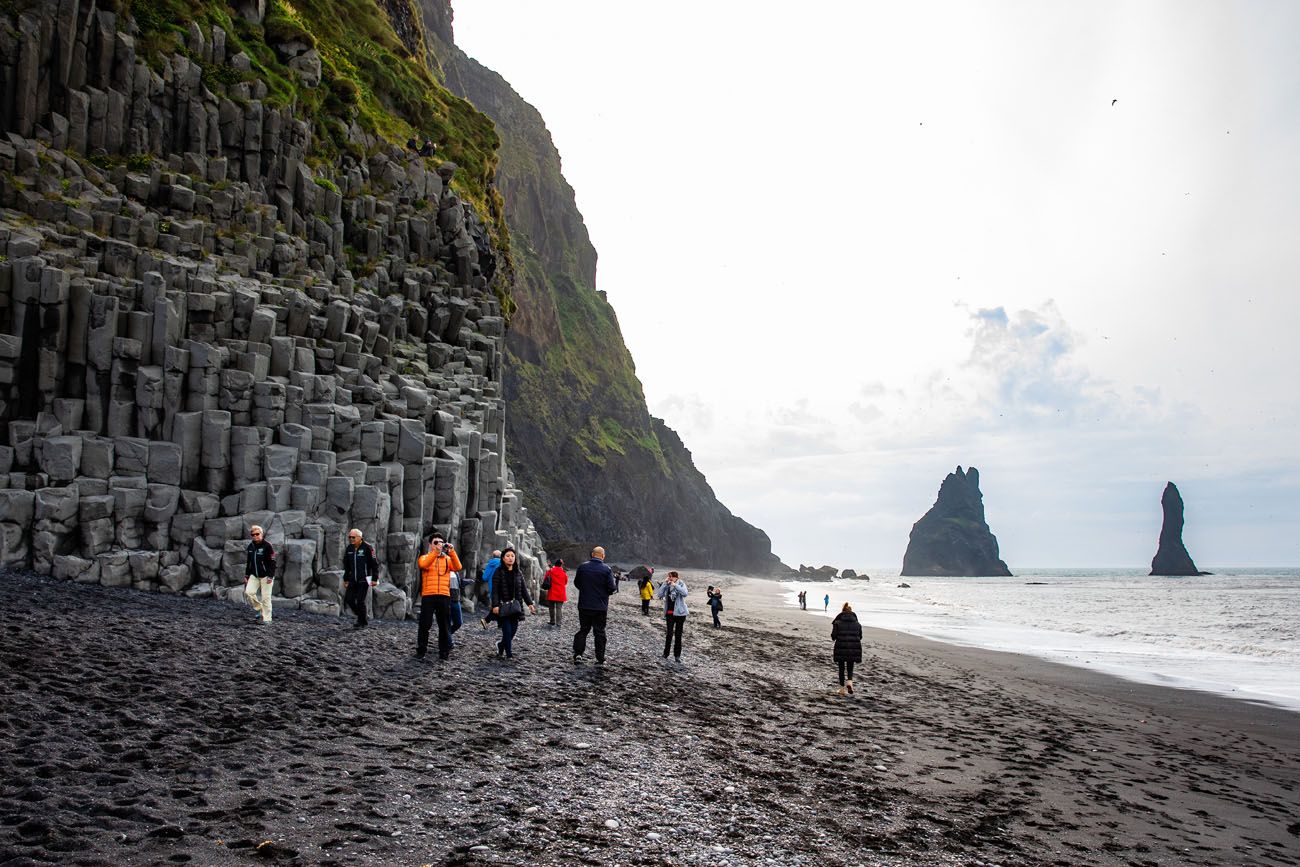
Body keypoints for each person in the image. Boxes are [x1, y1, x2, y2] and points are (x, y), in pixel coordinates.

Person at [415, 532, 461, 660]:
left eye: (440, 542)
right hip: (428, 595)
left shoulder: (447, 559)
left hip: (444, 596)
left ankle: (444, 651)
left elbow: (458, 567)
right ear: (430, 544)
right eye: (435, 542)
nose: (438, 545)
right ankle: (421, 650)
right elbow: (423, 565)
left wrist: (452, 552)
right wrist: (435, 552)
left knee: (444, 625)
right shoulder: (424, 557)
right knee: (425, 624)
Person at [572, 546, 617, 665]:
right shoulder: (606, 570)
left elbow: (577, 583)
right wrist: (604, 593)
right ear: (603, 556)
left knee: (583, 629)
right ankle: (600, 658)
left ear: (592, 554)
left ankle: (578, 654)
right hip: (600, 607)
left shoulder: (582, 567)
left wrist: (586, 591)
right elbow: (612, 588)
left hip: (584, 604)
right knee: (599, 632)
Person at [491, 548, 536, 658]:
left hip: (516, 607)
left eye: (512, 556)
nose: (510, 558)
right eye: (508, 556)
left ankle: (501, 645)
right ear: (503, 558)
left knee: (513, 631)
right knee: (506, 631)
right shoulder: (498, 571)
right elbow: (495, 591)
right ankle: (509, 654)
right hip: (503, 607)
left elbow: (524, 590)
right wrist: (495, 605)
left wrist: (530, 603)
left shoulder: (518, 572)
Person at [341, 527, 379, 628]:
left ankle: (362, 622)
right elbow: (347, 566)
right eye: (350, 537)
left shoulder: (368, 547)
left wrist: (375, 579)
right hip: (353, 579)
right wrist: (346, 579)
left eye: (353, 537)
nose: (351, 539)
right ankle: (362, 616)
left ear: (360, 537)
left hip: (365, 579)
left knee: (360, 600)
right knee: (349, 599)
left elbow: (374, 564)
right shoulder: (349, 548)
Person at [243, 525, 276, 624]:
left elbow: (273, 562)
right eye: (253, 534)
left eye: (257, 534)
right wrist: (246, 575)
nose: (255, 536)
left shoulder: (267, 546)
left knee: (266, 598)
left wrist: (270, 576)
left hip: (266, 576)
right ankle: (259, 608)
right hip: (254, 575)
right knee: (249, 592)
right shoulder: (250, 547)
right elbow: (249, 562)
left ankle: (267, 619)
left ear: (261, 534)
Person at [656, 571, 689, 662]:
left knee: (678, 635)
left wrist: (675, 585)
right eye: (668, 577)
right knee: (669, 634)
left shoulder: (681, 583)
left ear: (676, 577)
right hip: (670, 613)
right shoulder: (667, 585)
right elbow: (659, 595)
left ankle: (677, 656)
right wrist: (664, 584)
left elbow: (685, 593)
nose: (669, 578)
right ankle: (665, 653)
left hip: (680, 613)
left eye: (671, 577)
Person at [831, 602, 863, 695]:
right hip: (853, 647)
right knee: (850, 666)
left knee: (841, 668)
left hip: (841, 646)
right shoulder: (858, 624)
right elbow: (860, 636)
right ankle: (849, 682)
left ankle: (841, 689)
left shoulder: (837, 622)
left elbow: (833, 636)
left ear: (843, 612)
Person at [478, 550, 501, 627]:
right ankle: (487, 621)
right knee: (499, 605)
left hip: (493, 588)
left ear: (493, 556)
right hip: (503, 588)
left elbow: (484, 577)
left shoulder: (491, 564)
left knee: (497, 605)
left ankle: (498, 624)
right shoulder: (504, 564)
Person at [543, 558, 568, 627]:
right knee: (559, 608)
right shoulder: (563, 572)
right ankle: (558, 623)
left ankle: (552, 621)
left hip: (552, 592)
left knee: (551, 608)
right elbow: (565, 582)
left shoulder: (550, 571)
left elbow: (545, 579)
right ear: (561, 565)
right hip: (561, 593)